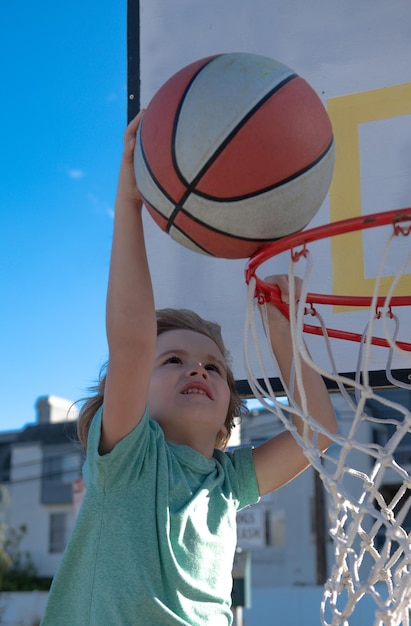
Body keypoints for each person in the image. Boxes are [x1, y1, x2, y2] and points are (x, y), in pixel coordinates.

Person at [41, 111, 337, 626]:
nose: (198, 371)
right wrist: (131, 203)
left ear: (229, 411)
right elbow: (132, 342)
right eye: (173, 360)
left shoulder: (227, 483)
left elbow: (318, 432)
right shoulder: (130, 461)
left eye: (215, 368)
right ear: (128, 389)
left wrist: (281, 330)